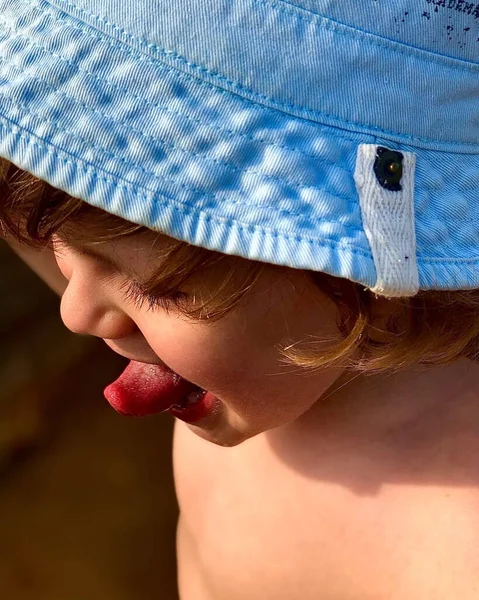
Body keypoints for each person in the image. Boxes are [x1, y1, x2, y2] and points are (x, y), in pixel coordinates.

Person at [0, 0, 478, 597]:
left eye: (159, 287)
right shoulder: (252, 361)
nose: (75, 312)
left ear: (360, 277)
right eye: (56, 237)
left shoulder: (450, 548)